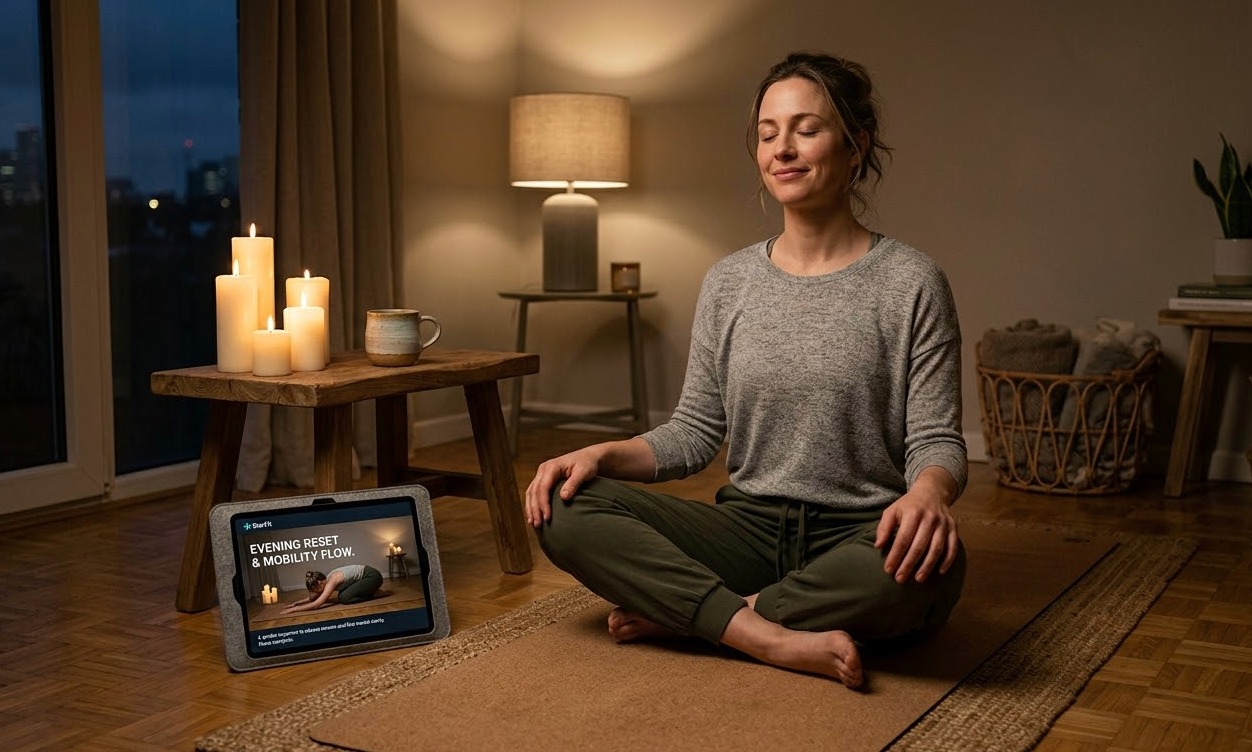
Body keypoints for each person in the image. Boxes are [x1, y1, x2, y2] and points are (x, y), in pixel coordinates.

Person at [523, 51, 967, 689]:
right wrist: (602, 454)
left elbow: (937, 439)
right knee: (563, 508)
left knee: (936, 566)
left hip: (861, 534)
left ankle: (697, 618)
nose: (782, 149)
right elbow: (695, 432)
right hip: (746, 531)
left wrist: (928, 495)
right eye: (767, 134)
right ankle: (763, 633)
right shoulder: (729, 282)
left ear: (855, 145)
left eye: (806, 129)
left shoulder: (911, 282)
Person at [279, 565, 387, 614]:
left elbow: (317, 603)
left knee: (344, 598)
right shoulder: (326, 580)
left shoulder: (332, 580)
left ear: (321, 582)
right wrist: (296, 603)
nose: (316, 592)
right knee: (341, 595)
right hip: (364, 578)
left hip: (372, 576)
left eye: (316, 588)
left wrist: (294, 610)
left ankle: (374, 593)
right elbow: (313, 597)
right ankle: (370, 591)